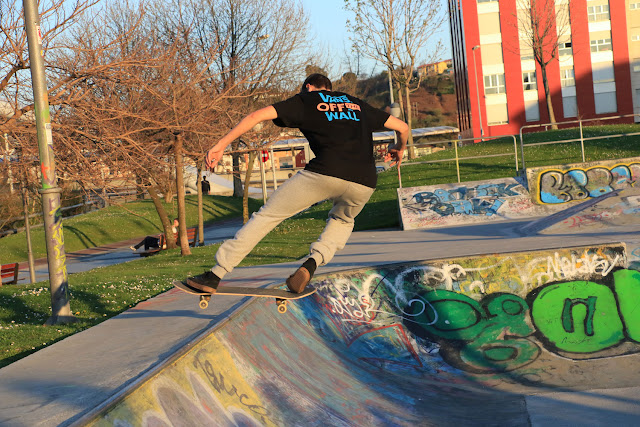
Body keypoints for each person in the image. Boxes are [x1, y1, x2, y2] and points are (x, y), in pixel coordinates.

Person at [185, 73, 408, 294]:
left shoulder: (307, 100)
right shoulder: (355, 103)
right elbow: (403, 127)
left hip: (324, 172)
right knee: (342, 220)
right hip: (364, 181)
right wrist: (399, 148)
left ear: (308, 87)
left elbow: (255, 117)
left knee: (267, 215)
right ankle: (311, 264)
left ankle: (215, 274)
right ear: (329, 88)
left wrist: (221, 144)